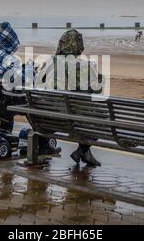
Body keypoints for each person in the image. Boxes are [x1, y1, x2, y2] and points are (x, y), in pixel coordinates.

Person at [0, 22, 60, 155]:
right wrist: (31, 69)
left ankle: (5, 132)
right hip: (1, 102)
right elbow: (21, 80)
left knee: (5, 98)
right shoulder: (4, 57)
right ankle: (43, 143)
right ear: (8, 42)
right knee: (31, 104)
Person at [35, 29, 103, 167]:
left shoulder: (49, 61)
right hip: (68, 120)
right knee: (99, 116)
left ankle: (43, 146)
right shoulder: (81, 65)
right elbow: (96, 89)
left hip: (44, 117)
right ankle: (83, 151)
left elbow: (39, 81)